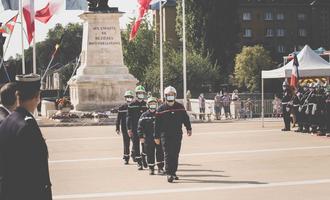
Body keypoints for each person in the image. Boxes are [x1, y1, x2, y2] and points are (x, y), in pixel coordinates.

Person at [0, 74, 52, 200]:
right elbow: (36, 174)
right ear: (38, 96)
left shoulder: (8, 121)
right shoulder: (27, 126)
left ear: (17, 95)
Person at [155, 86, 192, 183]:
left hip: (177, 134)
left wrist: (189, 128)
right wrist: (156, 137)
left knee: (175, 154)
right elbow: (157, 125)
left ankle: (174, 172)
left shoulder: (180, 107)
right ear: (165, 96)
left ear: (175, 95)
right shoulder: (161, 109)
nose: (170, 96)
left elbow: (185, 118)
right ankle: (169, 173)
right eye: (168, 95)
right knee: (167, 154)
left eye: (172, 95)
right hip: (165, 135)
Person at [138, 97, 165, 175]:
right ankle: (151, 168)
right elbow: (139, 127)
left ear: (156, 105)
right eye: (151, 104)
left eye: (154, 104)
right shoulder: (144, 115)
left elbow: (164, 125)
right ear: (147, 105)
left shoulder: (160, 114)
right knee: (150, 153)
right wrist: (141, 137)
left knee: (160, 152)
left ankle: (160, 168)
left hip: (158, 137)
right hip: (148, 137)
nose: (152, 105)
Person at [127, 85, 148, 170]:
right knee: (136, 145)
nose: (141, 94)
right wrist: (129, 128)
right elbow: (128, 117)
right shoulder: (131, 104)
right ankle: (139, 162)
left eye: (142, 93)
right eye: (139, 93)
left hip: (144, 129)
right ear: (136, 94)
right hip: (135, 128)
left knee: (145, 145)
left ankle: (144, 158)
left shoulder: (146, 104)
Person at [116, 90, 134, 165]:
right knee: (126, 143)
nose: (129, 98)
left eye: (130, 97)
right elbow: (118, 119)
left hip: (133, 127)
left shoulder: (134, 106)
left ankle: (134, 153)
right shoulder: (122, 107)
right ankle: (126, 158)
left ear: (132, 98)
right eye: (127, 97)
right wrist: (117, 128)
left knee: (135, 142)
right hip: (124, 128)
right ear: (125, 98)